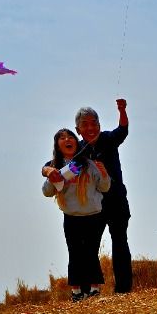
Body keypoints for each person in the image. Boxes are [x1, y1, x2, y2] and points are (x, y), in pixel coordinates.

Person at [42, 99, 133, 293]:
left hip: (116, 200)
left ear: (99, 126)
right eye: (85, 124)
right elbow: (54, 163)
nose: (90, 127)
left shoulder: (108, 139)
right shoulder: (78, 150)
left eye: (94, 123)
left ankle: (123, 289)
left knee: (120, 242)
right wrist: (46, 169)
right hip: (93, 204)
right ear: (78, 129)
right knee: (89, 249)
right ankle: (84, 291)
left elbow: (123, 129)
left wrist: (122, 110)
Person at [42, 128, 110, 301]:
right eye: (62, 138)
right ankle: (77, 291)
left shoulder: (89, 163)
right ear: (58, 145)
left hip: (93, 214)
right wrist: (51, 176)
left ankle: (94, 289)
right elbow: (47, 192)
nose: (67, 139)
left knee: (91, 252)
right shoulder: (56, 167)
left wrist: (104, 174)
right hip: (71, 216)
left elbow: (104, 187)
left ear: (76, 142)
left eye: (70, 136)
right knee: (74, 253)